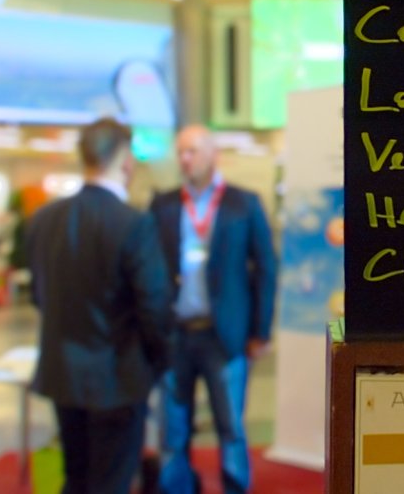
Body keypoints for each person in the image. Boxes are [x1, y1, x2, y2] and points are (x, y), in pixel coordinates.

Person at [26, 117, 174, 493]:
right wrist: (157, 361)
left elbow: (39, 296)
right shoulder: (133, 223)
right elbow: (154, 307)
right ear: (125, 161)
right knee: (111, 481)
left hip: (63, 374)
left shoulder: (43, 220)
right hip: (117, 378)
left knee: (76, 478)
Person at [150, 124, 278, 494]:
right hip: (176, 335)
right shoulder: (164, 205)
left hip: (225, 334)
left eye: (192, 151)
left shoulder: (243, 203)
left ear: (213, 155)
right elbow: (150, 270)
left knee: (231, 427)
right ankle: (176, 488)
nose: (184, 159)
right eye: (180, 152)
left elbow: (266, 268)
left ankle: (235, 486)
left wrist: (260, 331)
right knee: (173, 430)